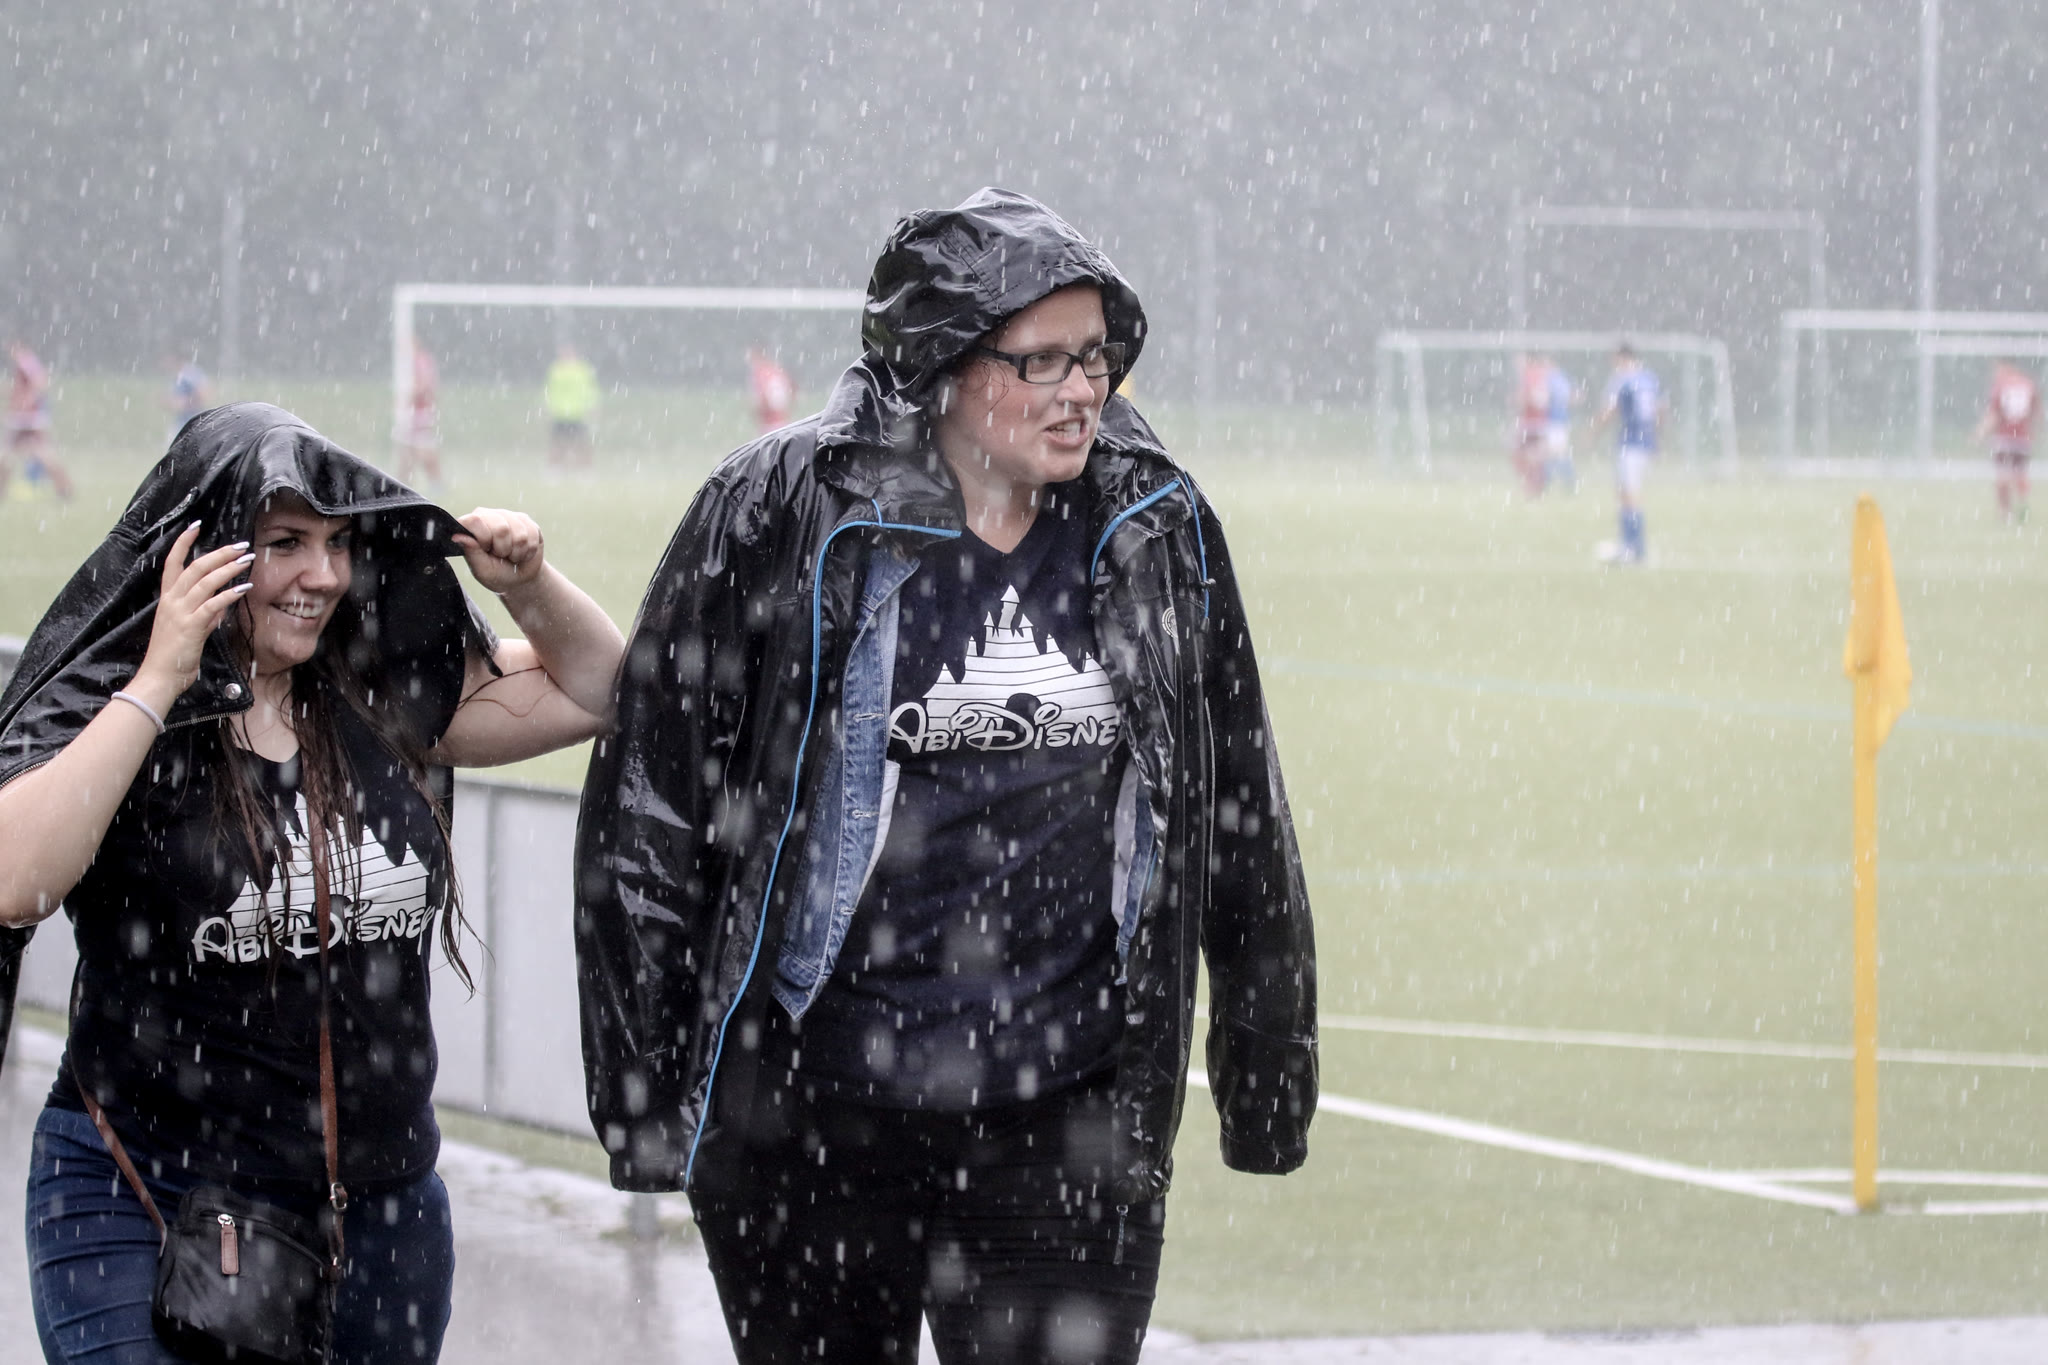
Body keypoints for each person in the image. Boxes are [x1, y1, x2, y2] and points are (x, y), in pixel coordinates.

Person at [576, 188, 1317, 1365]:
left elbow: (1236, 805)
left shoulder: (1153, 521)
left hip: (1065, 1122)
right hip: (813, 1118)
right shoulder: (780, 506)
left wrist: (1265, 1073)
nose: (1082, 390)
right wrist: (645, 1095)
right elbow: (651, 805)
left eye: (1095, 356)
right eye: (1042, 361)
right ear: (941, 364)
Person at [0, 402, 624, 1364]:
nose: (323, 574)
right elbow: (16, 882)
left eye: (337, 543)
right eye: (285, 543)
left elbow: (601, 688)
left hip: (375, 1219)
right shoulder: (131, 715)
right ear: (201, 551)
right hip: (143, 1198)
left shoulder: (377, 695)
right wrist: (162, 676)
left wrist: (529, 586)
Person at [1596, 342, 1661, 564]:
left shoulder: (1622, 379)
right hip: (1646, 441)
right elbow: (1660, 410)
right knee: (1630, 493)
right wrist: (1657, 439)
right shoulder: (1649, 378)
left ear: (1621, 358)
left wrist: (1593, 431)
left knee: (1628, 495)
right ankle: (1632, 546)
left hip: (1630, 443)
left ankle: (1633, 547)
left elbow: (1610, 409)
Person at [3, 341, 74, 502]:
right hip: (23, 416)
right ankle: (64, 490)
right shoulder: (24, 362)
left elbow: (40, 382)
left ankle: (65, 489)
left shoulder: (25, 360)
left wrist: (27, 400)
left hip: (27, 417)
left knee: (40, 454)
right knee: (14, 455)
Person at [1974, 357, 2038, 523]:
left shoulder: (2001, 386)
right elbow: (2035, 412)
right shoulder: (2028, 384)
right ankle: (2022, 503)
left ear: (2006, 367)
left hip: (2005, 438)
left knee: (2002, 475)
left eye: (1998, 369)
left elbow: (1995, 414)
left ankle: (2005, 512)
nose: (1996, 373)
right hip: (2023, 439)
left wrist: (1981, 432)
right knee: (2020, 473)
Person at [395, 334, 445, 490]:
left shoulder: (419, 361)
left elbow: (425, 386)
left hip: (419, 412)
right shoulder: (413, 362)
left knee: (421, 449)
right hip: (416, 412)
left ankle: (435, 484)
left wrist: (409, 398)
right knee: (408, 450)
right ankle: (403, 485)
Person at [544, 343, 599, 468]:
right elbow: (550, 390)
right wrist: (548, 407)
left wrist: (592, 406)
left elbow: (590, 389)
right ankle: (555, 468)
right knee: (557, 443)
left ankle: (585, 468)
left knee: (582, 444)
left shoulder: (583, 370)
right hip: (559, 413)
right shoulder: (556, 370)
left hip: (577, 413)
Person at [1512, 353, 1552, 497]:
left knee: (1529, 457)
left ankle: (1535, 486)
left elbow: (1539, 400)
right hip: (1531, 424)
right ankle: (1534, 485)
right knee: (1528, 457)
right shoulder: (1534, 375)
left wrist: (1523, 399)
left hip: (1534, 424)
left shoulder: (1532, 375)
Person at [162, 351, 213, 445]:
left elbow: (204, 393)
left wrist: (185, 402)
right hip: (182, 420)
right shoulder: (178, 375)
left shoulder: (189, 374)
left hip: (193, 421)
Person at [1542, 355, 1576, 494]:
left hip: (1554, 421)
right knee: (1553, 453)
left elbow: (1544, 398)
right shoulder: (1563, 377)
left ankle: (1566, 480)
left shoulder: (1552, 379)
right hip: (1560, 421)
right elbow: (1576, 396)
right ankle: (1550, 481)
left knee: (1554, 453)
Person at [746, 346, 795, 433]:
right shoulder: (776, 370)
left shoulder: (760, 374)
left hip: (770, 425)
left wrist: (757, 410)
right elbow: (792, 390)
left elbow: (763, 399)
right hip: (783, 422)